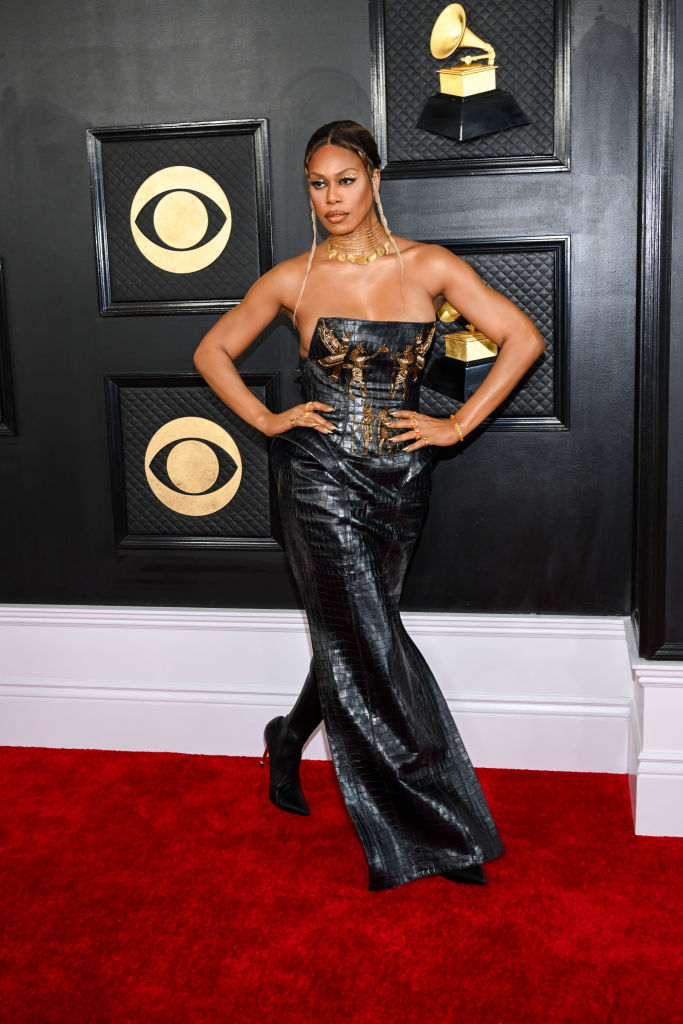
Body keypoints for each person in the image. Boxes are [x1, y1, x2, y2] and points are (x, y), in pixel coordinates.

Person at [194, 120, 544, 891]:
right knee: (371, 640)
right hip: (319, 480)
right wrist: (266, 421)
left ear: (374, 179)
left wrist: (454, 424)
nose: (331, 198)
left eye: (344, 180)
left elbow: (520, 337)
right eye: (316, 184)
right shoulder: (291, 279)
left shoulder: (429, 266)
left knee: (357, 633)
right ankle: (434, 827)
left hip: (401, 480)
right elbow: (210, 352)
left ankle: (288, 739)